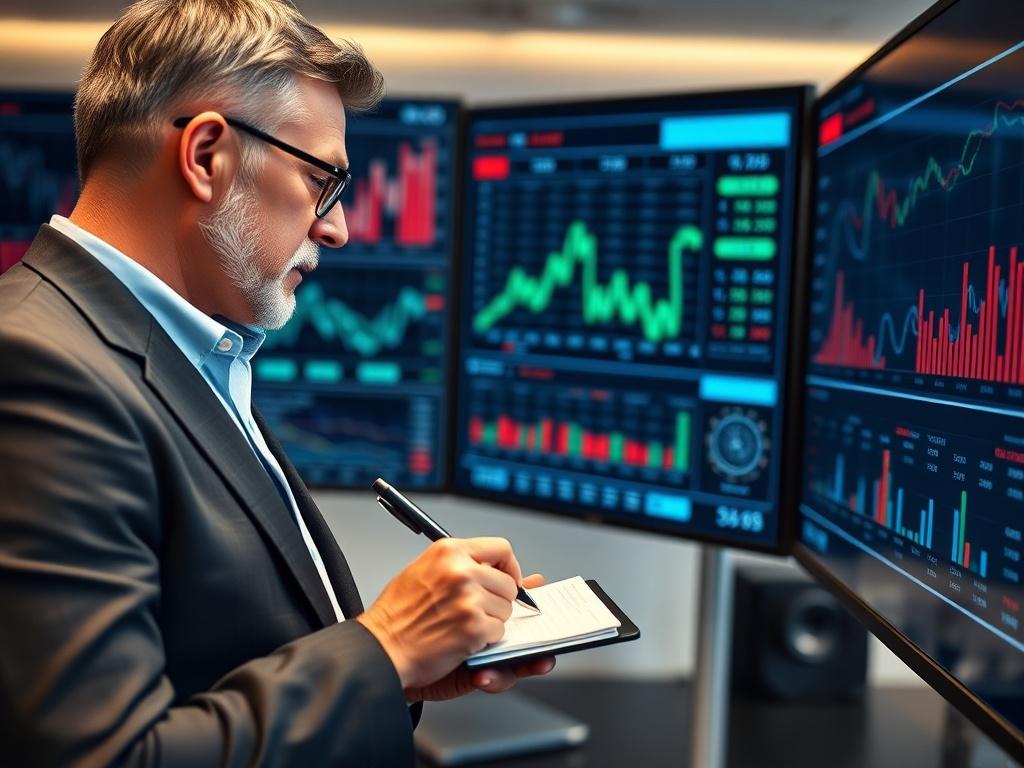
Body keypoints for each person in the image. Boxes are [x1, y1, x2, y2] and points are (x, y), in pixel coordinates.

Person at [0, 0, 554, 764]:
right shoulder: (37, 369)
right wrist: (386, 647)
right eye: (321, 178)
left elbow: (221, 662)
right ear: (205, 156)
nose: (338, 227)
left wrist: (403, 675)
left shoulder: (186, 347)